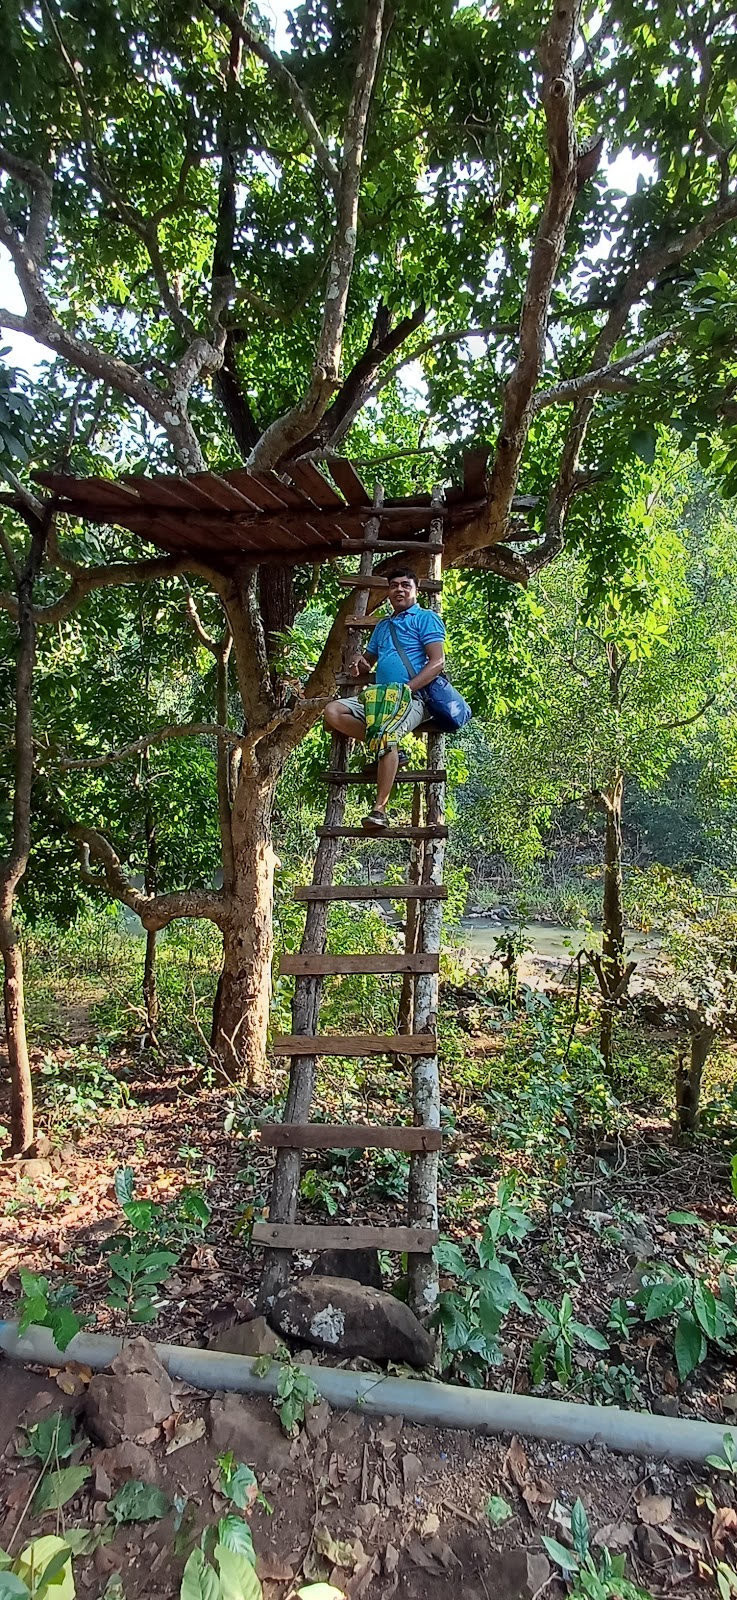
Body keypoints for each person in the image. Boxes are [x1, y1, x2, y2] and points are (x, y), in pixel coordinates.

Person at [323, 567, 446, 829]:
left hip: (412, 698)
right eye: (393, 585)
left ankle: (379, 811)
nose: (399, 589)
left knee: (386, 734)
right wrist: (359, 663)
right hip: (378, 698)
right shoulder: (383, 626)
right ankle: (387, 748)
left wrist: (408, 689)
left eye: (405, 585)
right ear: (388, 592)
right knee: (333, 712)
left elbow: (437, 662)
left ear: (416, 590)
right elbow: (368, 662)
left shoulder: (426, 619)